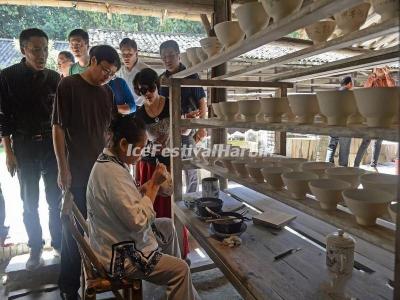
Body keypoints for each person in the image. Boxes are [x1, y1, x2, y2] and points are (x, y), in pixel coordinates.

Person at [87, 114, 198, 300]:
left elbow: (119, 202)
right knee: (182, 270)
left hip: (111, 238)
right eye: (139, 149)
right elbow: (138, 222)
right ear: (123, 144)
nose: (142, 153)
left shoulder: (108, 162)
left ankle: (176, 292)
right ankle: (178, 285)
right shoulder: (112, 173)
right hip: (119, 255)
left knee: (166, 226)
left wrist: (142, 190)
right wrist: (154, 186)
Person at [52, 44, 120, 300]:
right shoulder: (68, 86)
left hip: (102, 173)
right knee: (74, 232)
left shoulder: (107, 93)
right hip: (77, 172)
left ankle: (103, 274)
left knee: (104, 227)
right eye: (104, 70)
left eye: (111, 74)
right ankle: (68, 287)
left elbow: (109, 131)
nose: (107, 76)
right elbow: (58, 128)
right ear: (92, 61)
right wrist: (62, 168)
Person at [0, 28, 62, 270]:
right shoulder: (7, 77)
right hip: (23, 146)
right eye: (36, 50)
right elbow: (3, 117)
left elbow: (59, 119)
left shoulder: (55, 78)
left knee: (55, 199)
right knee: (29, 202)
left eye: (45, 49)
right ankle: (35, 248)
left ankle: (58, 243)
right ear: (23, 49)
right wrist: (10, 151)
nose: (42, 55)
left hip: (50, 145)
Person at [159, 40, 207, 194]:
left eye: (171, 55)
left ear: (179, 56)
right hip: (169, 130)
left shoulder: (191, 75)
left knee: (190, 167)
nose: (167, 60)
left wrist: (202, 127)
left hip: (188, 129)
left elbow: (202, 101)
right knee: (171, 167)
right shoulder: (162, 80)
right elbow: (160, 107)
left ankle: (192, 199)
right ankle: (175, 202)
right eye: (164, 57)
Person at [134, 68, 171, 218]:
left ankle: (172, 238)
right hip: (150, 164)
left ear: (157, 85)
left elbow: (184, 132)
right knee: (151, 206)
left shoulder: (170, 104)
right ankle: (152, 240)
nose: (147, 93)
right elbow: (139, 145)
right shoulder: (140, 114)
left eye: (151, 88)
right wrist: (152, 148)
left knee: (171, 206)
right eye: (142, 90)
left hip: (170, 162)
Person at [354, 67, 396, 168]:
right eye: (378, 68)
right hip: (371, 113)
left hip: (383, 113)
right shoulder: (372, 80)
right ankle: (356, 164)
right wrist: (372, 76)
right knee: (366, 140)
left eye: (382, 68)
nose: (380, 70)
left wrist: (387, 74)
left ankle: (374, 164)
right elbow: (366, 87)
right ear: (374, 70)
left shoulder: (388, 80)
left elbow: (392, 86)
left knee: (378, 140)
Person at [325, 76, 353, 166]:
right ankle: (342, 171)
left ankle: (328, 167)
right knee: (344, 149)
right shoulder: (350, 94)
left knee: (331, 146)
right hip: (345, 124)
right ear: (349, 84)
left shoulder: (335, 93)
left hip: (333, 123)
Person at [117, 38, 149, 106]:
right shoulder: (119, 72)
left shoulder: (146, 71)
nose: (126, 57)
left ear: (136, 53)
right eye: (123, 54)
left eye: (130, 54)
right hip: (126, 107)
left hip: (142, 107)